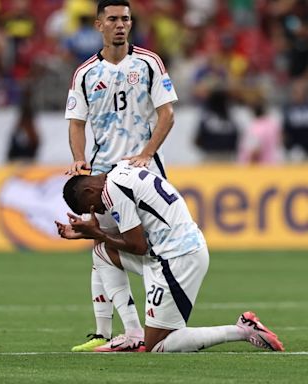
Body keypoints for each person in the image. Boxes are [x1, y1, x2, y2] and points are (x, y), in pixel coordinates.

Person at [55, 160, 285, 353]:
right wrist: (92, 235)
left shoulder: (112, 191)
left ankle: (242, 330)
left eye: (92, 206)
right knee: (102, 253)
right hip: (171, 251)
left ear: (89, 191)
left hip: (177, 258)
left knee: (157, 346)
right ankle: (134, 334)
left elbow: (137, 245)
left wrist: (96, 232)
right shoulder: (121, 169)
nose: (98, 211)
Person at [64, 0, 177, 352]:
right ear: (99, 25)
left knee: (147, 250)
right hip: (101, 176)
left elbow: (167, 114)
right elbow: (76, 123)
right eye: (112, 19)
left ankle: (150, 320)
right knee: (100, 246)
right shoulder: (85, 73)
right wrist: (80, 160)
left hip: (143, 175)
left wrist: (145, 154)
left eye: (125, 19)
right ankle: (108, 332)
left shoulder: (148, 62)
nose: (120, 25)